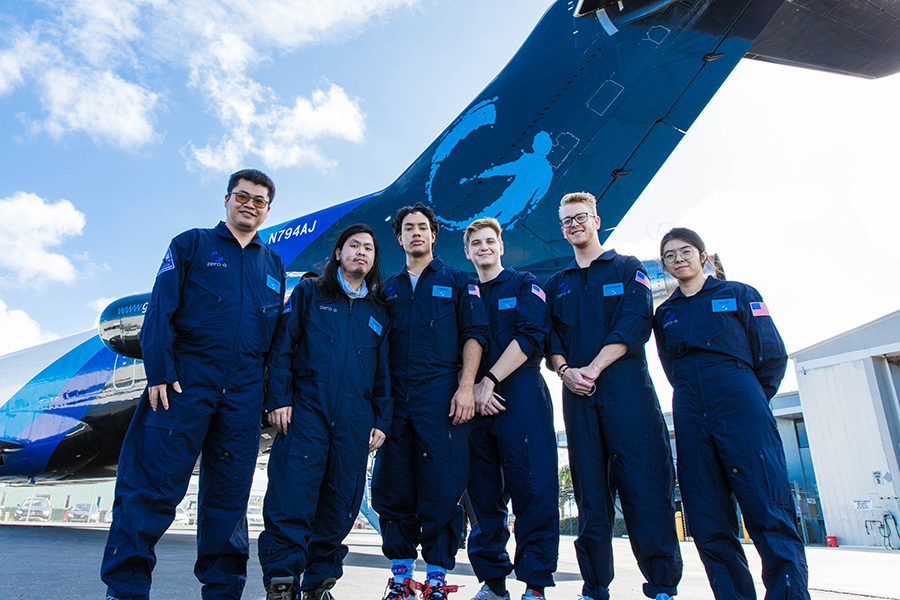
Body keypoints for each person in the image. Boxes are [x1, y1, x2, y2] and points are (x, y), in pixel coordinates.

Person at [102, 169, 285, 600]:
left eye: (259, 200)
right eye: (242, 196)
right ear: (226, 200)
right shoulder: (190, 244)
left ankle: (223, 593)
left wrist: (271, 397)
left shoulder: (272, 264)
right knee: (149, 492)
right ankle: (125, 591)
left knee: (228, 503)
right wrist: (161, 373)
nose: (250, 204)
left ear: (268, 210)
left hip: (242, 398)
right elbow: (160, 310)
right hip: (182, 387)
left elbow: (277, 344)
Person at [653, 227, 809, 600]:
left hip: (740, 404)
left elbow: (771, 355)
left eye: (686, 251)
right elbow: (669, 366)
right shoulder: (666, 314)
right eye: (670, 255)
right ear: (665, 265)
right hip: (691, 409)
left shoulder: (739, 293)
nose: (679, 259)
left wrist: (750, 400)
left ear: (703, 256)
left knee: (767, 509)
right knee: (707, 518)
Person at [545, 192, 682, 600]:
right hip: (578, 398)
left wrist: (593, 368)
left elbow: (635, 322)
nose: (574, 225)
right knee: (590, 495)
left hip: (628, 398)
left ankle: (661, 586)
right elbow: (549, 339)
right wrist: (567, 371)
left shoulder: (628, 269)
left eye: (580, 217)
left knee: (645, 488)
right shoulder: (557, 284)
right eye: (566, 220)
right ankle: (594, 586)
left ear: (597, 220)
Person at [258, 224, 392, 600]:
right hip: (305, 414)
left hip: (354, 420)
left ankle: (319, 584)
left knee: (339, 504)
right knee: (291, 496)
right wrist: (278, 399)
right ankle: (282, 582)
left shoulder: (379, 311)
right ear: (338, 253)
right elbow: (283, 346)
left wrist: (382, 419)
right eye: (354, 246)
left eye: (368, 248)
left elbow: (384, 372)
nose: (361, 253)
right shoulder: (310, 292)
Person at [371, 202, 489, 600]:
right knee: (393, 486)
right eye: (408, 228)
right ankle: (401, 576)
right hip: (395, 402)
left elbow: (474, 335)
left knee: (443, 487)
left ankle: (436, 578)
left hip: (442, 397)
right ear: (399, 237)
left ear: (434, 235)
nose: (416, 233)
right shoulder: (385, 289)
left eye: (423, 227)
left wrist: (466, 387)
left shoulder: (458, 280)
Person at [462, 218, 559, 600]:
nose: (484, 247)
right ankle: (494, 583)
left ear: (501, 247)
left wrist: (489, 382)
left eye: (490, 241)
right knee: (483, 499)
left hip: (520, 400)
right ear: (468, 251)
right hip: (475, 408)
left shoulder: (525, 284)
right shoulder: (463, 291)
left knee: (533, 490)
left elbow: (531, 335)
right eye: (476, 243)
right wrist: (471, 389)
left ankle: (535, 585)